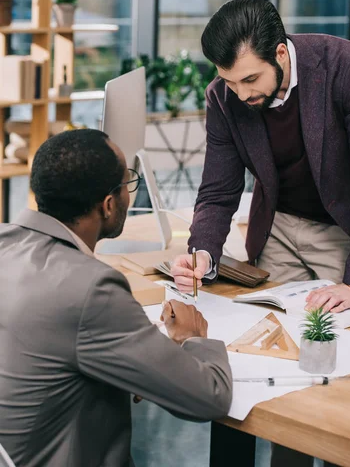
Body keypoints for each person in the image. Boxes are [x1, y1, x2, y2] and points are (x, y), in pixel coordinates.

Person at [171, 0, 350, 467]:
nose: (240, 94)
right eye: (230, 81)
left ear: (280, 53)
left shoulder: (346, 66)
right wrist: (203, 255)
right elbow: (217, 190)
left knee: (336, 366)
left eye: (249, 80)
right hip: (276, 228)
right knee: (268, 356)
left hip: (342, 229)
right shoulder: (224, 95)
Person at [0, 129, 232, 467]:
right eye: (127, 183)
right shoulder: (91, 288)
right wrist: (193, 338)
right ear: (109, 205)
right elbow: (211, 398)